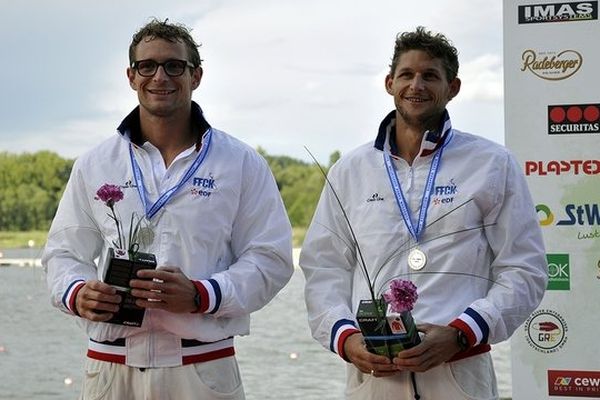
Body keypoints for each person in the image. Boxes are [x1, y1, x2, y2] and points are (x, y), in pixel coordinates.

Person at [42, 18, 293, 400]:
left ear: (196, 76)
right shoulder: (95, 164)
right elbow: (63, 254)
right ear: (131, 76)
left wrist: (202, 294)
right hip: (111, 371)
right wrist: (78, 293)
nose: (160, 76)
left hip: (202, 370)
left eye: (174, 66)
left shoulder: (240, 162)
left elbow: (271, 258)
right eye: (148, 66)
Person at [299, 26, 547, 400]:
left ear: (454, 87)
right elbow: (324, 269)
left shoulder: (492, 164)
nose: (417, 85)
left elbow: (524, 268)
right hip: (374, 374)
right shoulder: (350, 170)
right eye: (407, 74)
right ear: (389, 82)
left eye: (430, 75)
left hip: (459, 368)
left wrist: (464, 332)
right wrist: (345, 338)